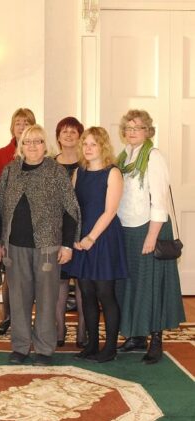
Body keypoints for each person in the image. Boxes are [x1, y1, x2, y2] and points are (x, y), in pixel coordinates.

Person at [0, 124, 80, 366]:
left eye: (38, 141)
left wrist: (67, 245)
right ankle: (20, 347)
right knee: (19, 298)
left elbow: (71, 209)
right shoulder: (11, 171)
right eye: (27, 141)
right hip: (14, 246)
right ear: (20, 145)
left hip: (48, 246)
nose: (32, 146)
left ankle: (44, 348)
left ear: (45, 145)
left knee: (46, 298)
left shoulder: (55, 171)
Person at [115, 109, 185, 364]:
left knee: (150, 285)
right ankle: (135, 336)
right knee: (130, 284)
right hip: (127, 228)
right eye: (129, 128)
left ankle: (156, 339)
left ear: (148, 131)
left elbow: (159, 201)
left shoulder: (154, 158)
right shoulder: (124, 157)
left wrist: (152, 236)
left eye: (138, 127)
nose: (132, 132)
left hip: (149, 228)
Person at [63, 127, 127, 363]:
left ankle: (110, 348)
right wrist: (75, 238)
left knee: (105, 294)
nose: (88, 148)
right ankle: (91, 345)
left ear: (103, 147)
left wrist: (91, 238)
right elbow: (73, 208)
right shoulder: (79, 172)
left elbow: (110, 211)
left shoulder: (113, 173)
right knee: (86, 293)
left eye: (93, 144)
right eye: (86, 144)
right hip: (82, 240)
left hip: (103, 238)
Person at [0, 108, 36, 336]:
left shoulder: (41, 154)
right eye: (18, 122)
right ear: (12, 127)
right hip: (9, 221)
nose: (21, 126)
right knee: (10, 273)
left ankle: (29, 319)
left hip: (33, 225)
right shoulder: (2, 154)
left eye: (26, 122)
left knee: (33, 274)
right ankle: (8, 317)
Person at [54, 117, 87, 348]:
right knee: (60, 282)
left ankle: (83, 331)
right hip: (57, 231)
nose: (68, 135)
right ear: (58, 137)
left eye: (73, 131)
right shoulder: (50, 164)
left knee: (83, 283)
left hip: (84, 229)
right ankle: (59, 329)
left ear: (80, 136)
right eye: (64, 131)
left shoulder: (88, 164)